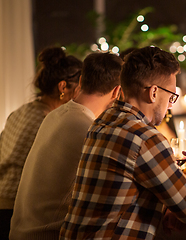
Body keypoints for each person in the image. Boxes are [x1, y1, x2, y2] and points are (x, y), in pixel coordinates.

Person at [60, 46, 186, 239]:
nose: (171, 104)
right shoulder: (145, 138)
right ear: (154, 92)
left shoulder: (103, 120)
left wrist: (167, 207)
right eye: (171, 96)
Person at [9, 52, 123, 240]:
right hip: (44, 235)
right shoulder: (88, 129)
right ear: (117, 91)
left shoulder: (56, 114)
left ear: (81, 80)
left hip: (19, 231)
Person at [0, 47, 82, 239]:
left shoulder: (20, 111)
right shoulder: (50, 120)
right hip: (17, 207)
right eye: (80, 87)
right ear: (63, 87)